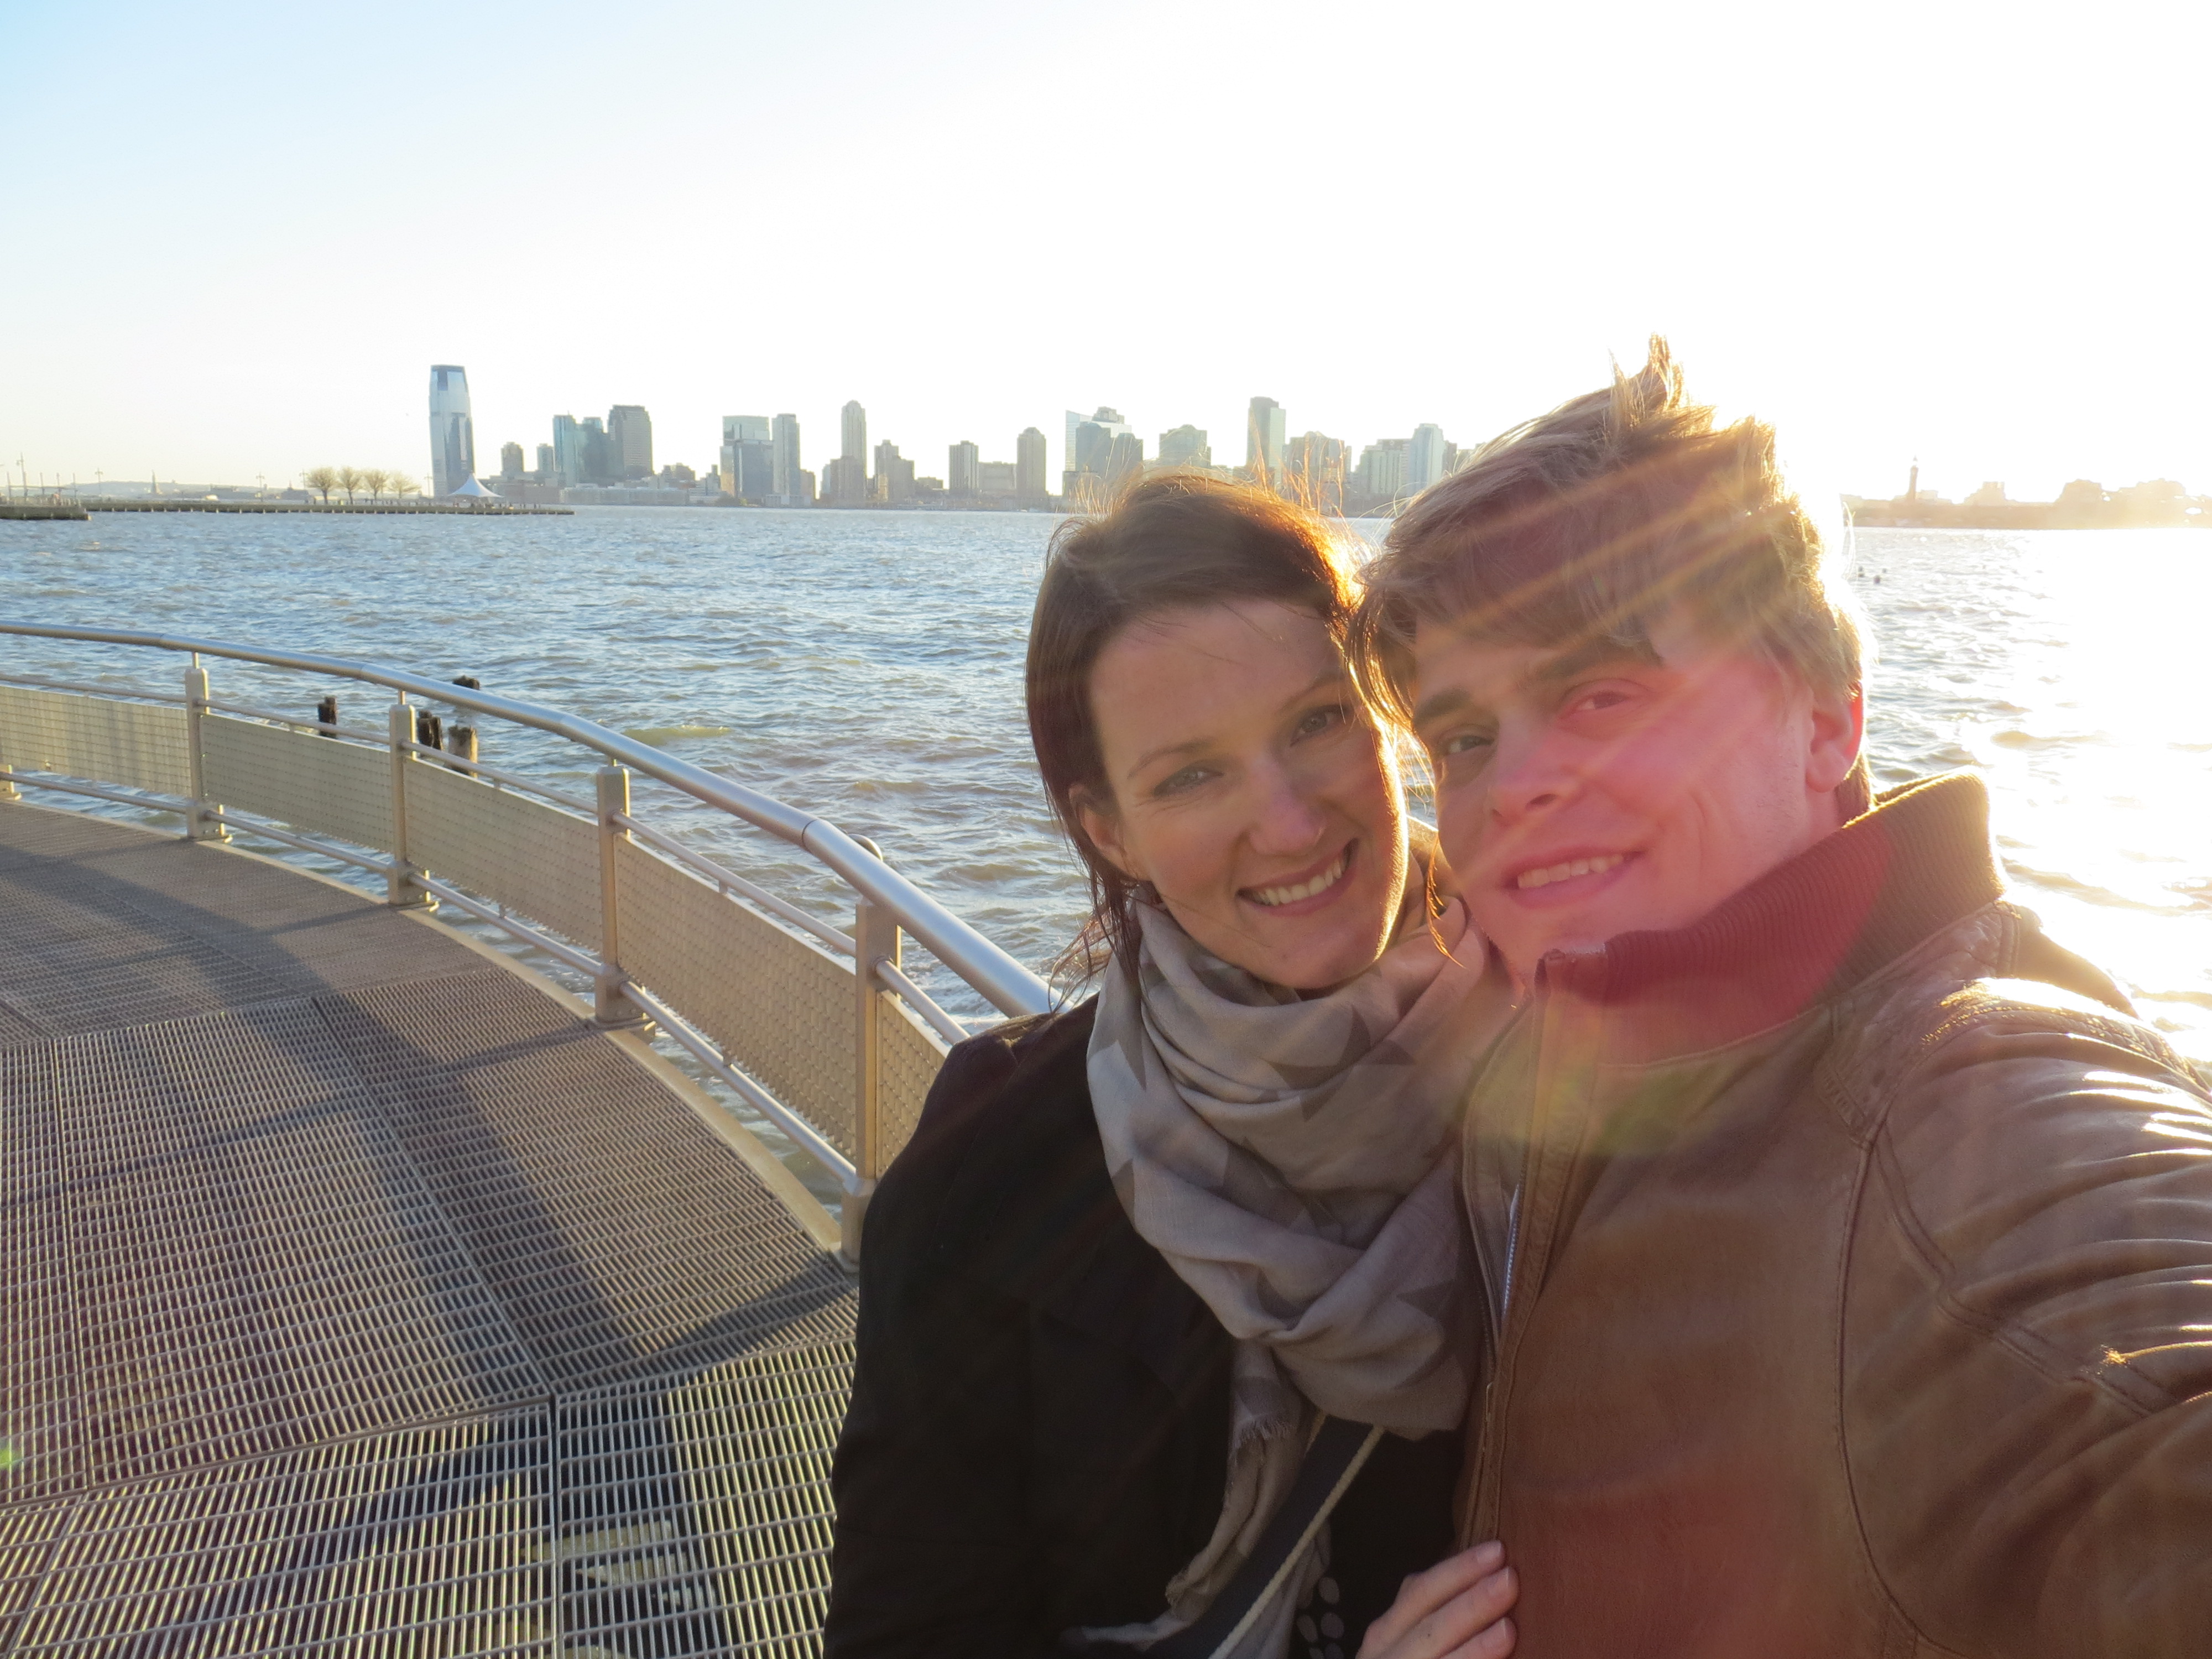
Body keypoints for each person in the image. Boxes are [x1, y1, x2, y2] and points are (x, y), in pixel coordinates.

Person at [1349, 340, 2212, 1654]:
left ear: (1825, 725)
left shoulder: (1971, 1105)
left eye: (1599, 692)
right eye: (1462, 738)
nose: (1510, 785)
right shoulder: (1564, 1052)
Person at [825, 476, 1520, 1659]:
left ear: (1388, 718)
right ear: (1111, 832)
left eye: (1318, 722)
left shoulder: (1582, 1069)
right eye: (1191, 776)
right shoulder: (995, 1170)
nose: (1289, 824)